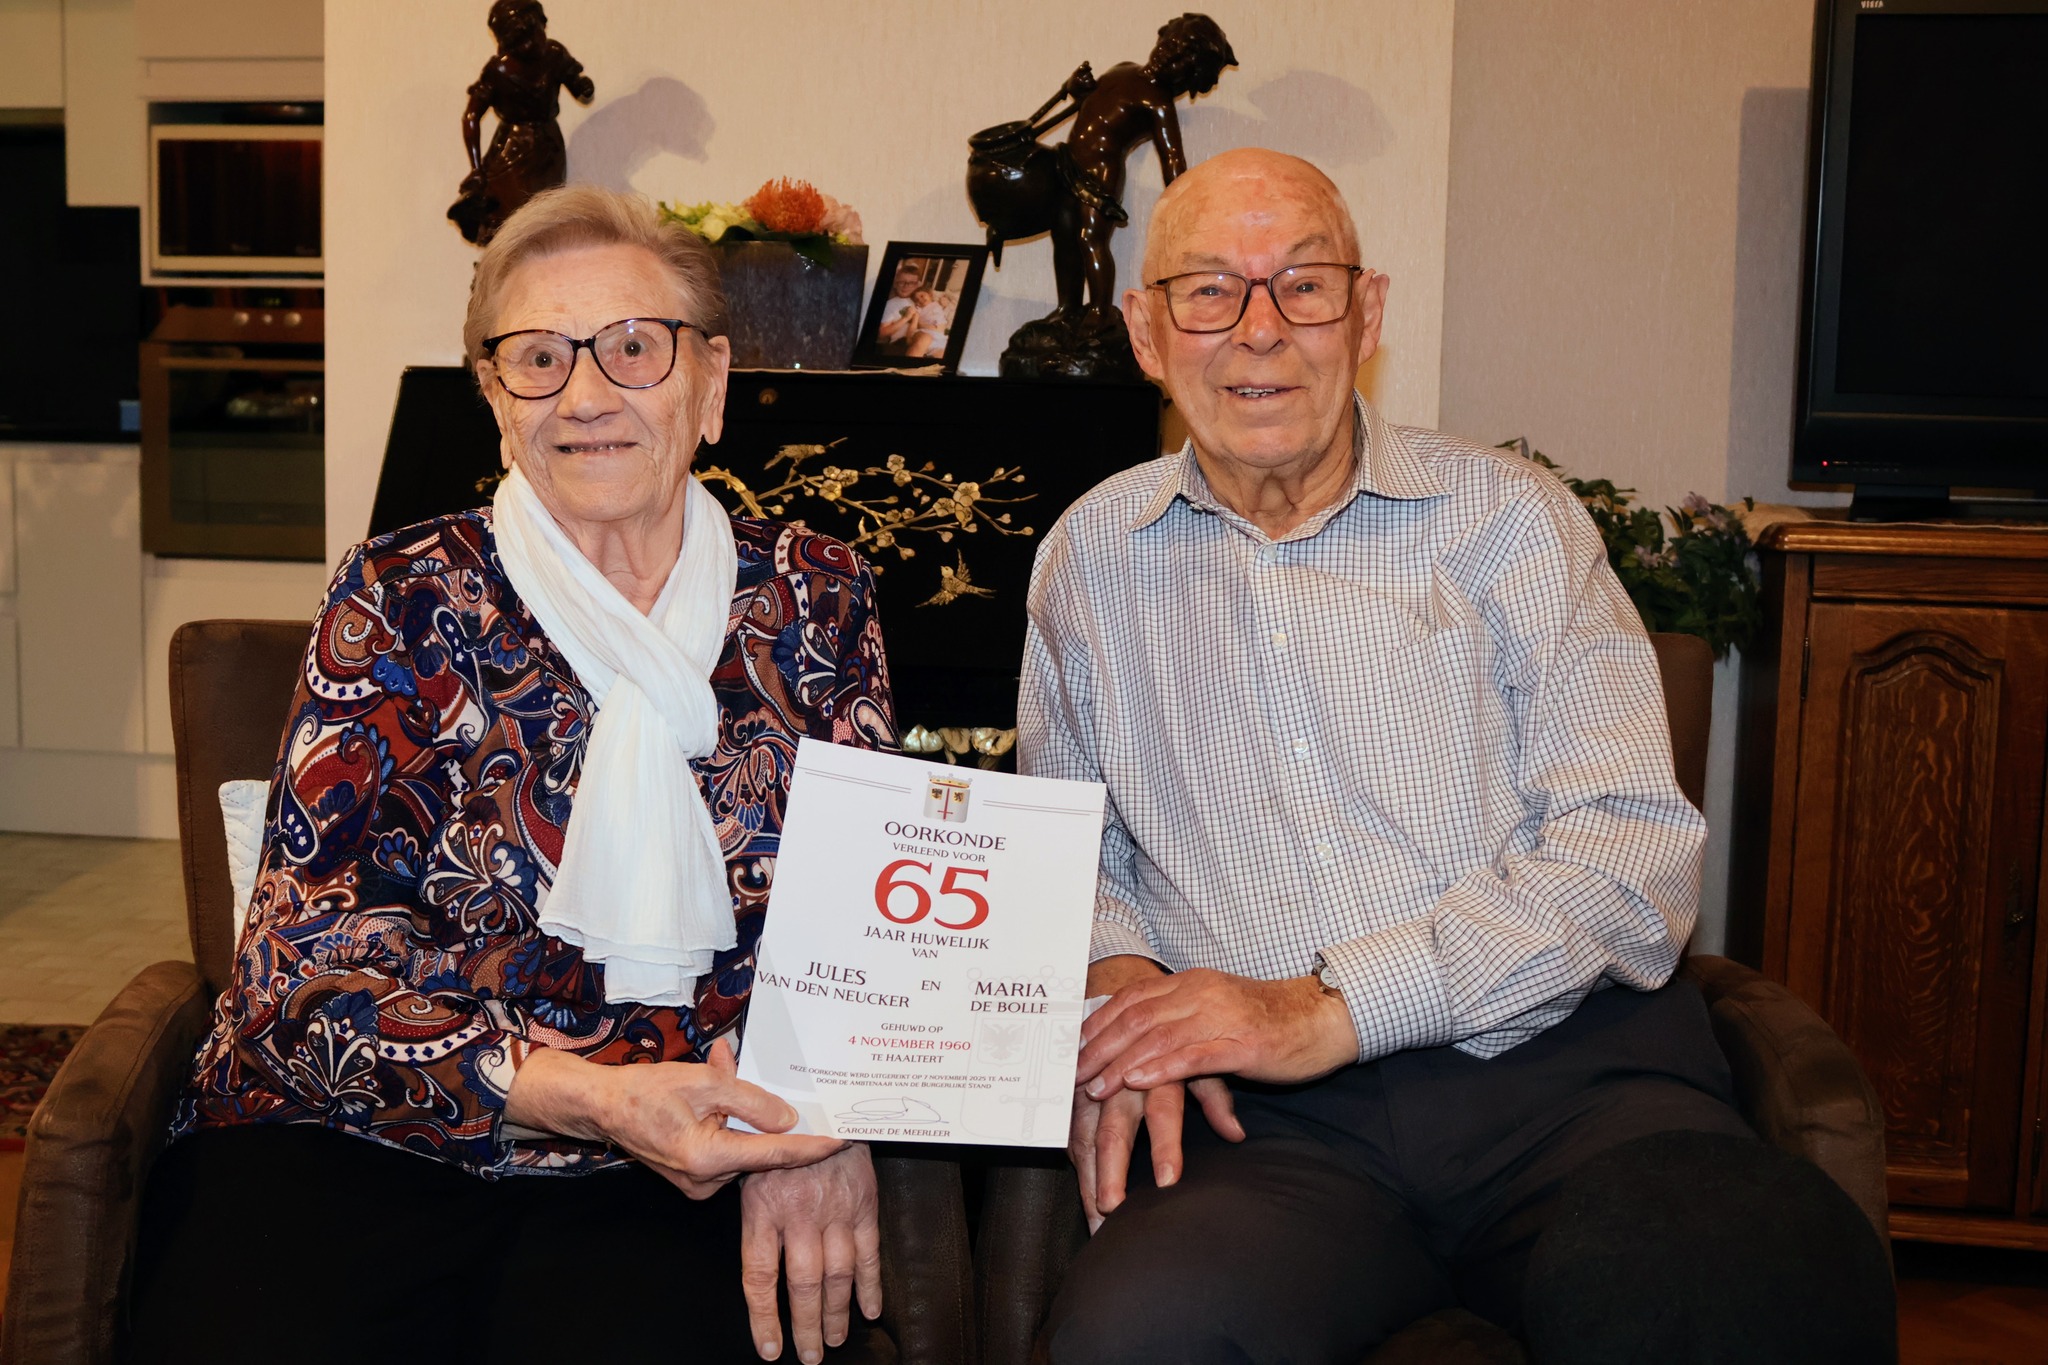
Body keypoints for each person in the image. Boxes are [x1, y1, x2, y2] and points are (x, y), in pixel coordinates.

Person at [1019, 148, 1893, 1362]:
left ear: (1365, 313)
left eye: (1302, 286)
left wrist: (1326, 1008)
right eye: (1209, 290)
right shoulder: (1085, 559)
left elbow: (1629, 858)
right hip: (1269, 1142)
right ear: (1146, 332)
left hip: (1561, 1080)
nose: (1257, 330)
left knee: (1722, 1279)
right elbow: (1072, 847)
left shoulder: (1509, 523)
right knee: (1135, 1337)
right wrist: (1123, 996)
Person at [135, 185, 897, 1365]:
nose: (585, 395)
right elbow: (295, 963)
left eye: (633, 349)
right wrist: (580, 1091)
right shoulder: (397, 597)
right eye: (537, 358)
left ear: (711, 382)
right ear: (495, 399)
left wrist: (825, 1131)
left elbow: (875, 926)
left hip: (682, 1161)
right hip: (366, 1130)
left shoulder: (815, 596)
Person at [448, 0, 596, 245]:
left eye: (535, 34)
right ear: (507, 44)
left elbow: (578, 84)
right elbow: (472, 116)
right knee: (512, 219)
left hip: (549, 148)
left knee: (548, 214)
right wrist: (476, 168)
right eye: (520, 42)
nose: (531, 44)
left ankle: (541, 270)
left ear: (543, 25)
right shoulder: (498, 72)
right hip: (512, 150)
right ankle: (507, 273)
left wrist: (584, 87)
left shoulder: (554, 55)